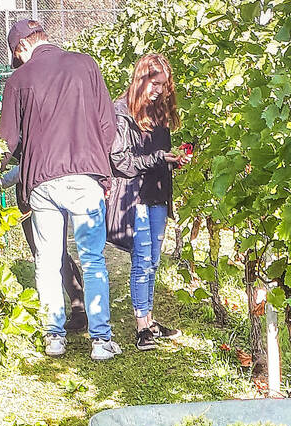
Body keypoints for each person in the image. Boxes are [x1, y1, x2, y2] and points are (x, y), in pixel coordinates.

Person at [0, 20, 120, 360]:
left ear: (21, 47)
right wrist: (103, 173)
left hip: (41, 181)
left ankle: (54, 337)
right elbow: (107, 125)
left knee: (47, 261)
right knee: (94, 259)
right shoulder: (86, 64)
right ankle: (101, 342)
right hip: (86, 176)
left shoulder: (18, 81)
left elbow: (6, 141)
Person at [108, 53, 190, 351]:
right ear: (141, 79)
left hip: (157, 194)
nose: (159, 91)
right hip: (135, 195)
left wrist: (174, 161)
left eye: (164, 86)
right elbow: (119, 161)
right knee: (142, 261)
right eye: (155, 84)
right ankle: (142, 326)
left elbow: (160, 155)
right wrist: (158, 158)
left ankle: (150, 319)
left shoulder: (158, 113)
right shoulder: (122, 112)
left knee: (153, 261)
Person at [2, 165, 88, 333]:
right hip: (38, 195)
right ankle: (77, 310)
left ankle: (67, 315)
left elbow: (25, 164)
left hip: (37, 196)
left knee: (50, 256)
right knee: (57, 254)